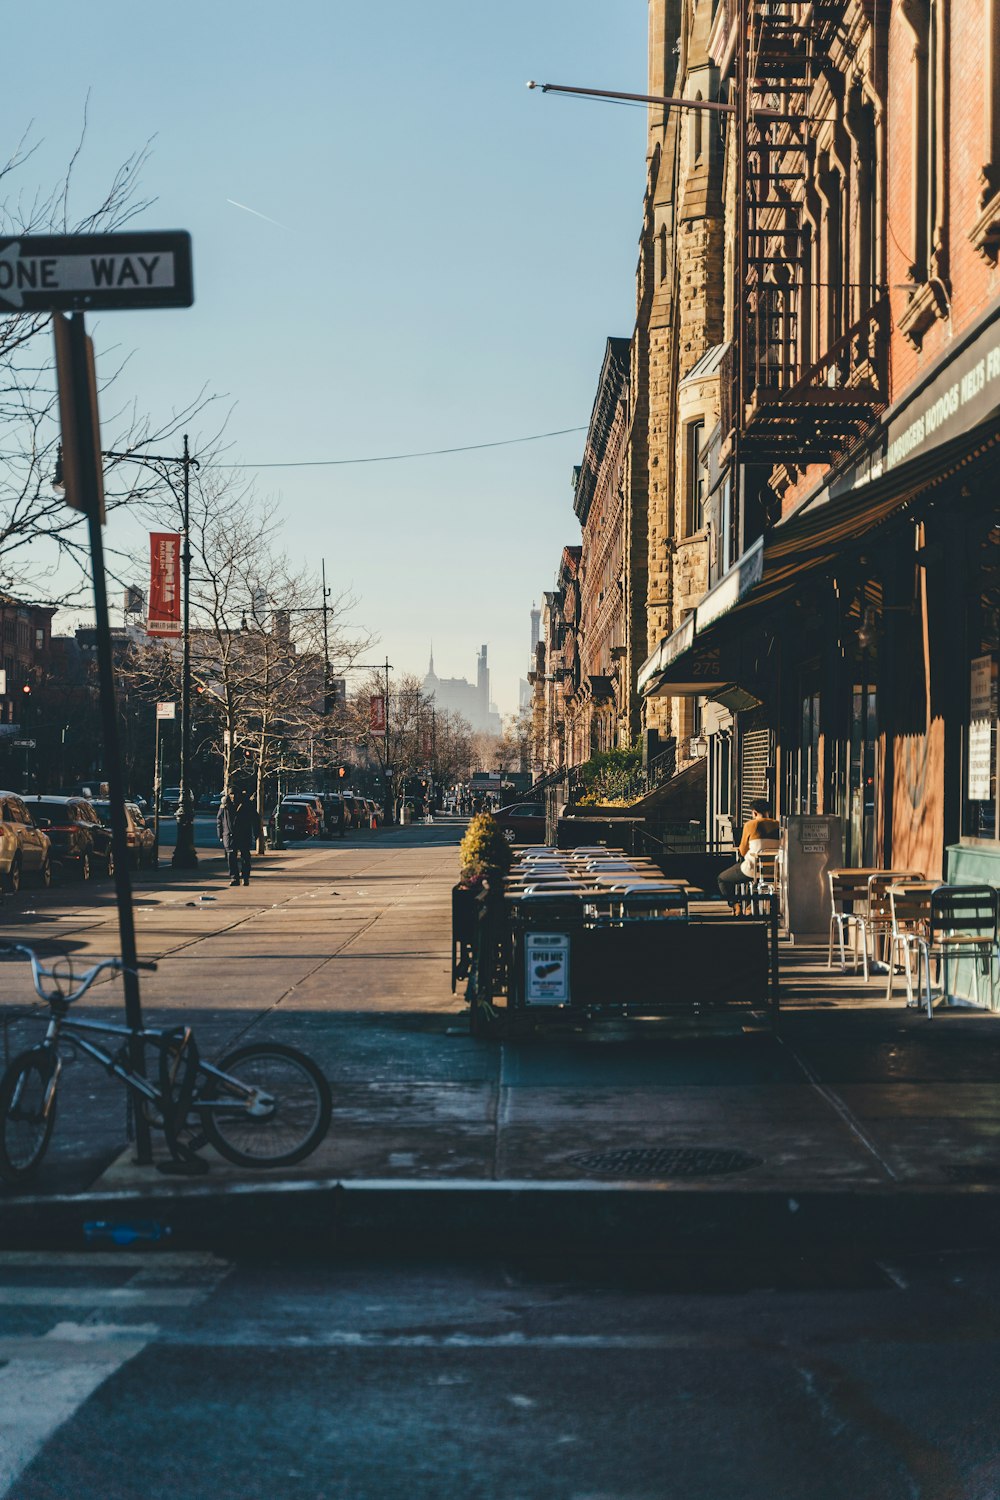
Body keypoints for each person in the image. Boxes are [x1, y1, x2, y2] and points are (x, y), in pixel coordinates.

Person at [717, 797, 781, 911]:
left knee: (722, 879)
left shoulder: (750, 825)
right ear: (769, 812)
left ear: (754, 812)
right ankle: (752, 905)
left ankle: (736, 906)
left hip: (753, 870)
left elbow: (742, 850)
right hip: (775, 871)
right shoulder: (778, 825)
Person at [217, 785, 262, 886]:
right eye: (231, 794)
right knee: (231, 858)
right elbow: (219, 820)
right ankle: (234, 878)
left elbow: (255, 819)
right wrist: (220, 834)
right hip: (230, 835)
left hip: (244, 834)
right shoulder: (224, 806)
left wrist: (256, 833)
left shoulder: (247, 804)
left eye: (235, 794)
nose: (233, 796)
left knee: (245, 857)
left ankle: (245, 877)